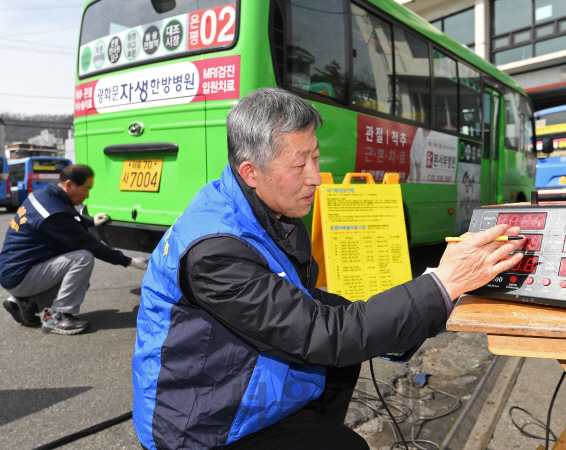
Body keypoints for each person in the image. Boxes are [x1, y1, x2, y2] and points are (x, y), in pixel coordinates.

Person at [132, 87, 523, 450]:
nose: (315, 177)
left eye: (316, 157)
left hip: (236, 383)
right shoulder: (216, 252)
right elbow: (322, 333)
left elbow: (308, 304)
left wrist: (433, 295)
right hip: (202, 422)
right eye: (299, 164)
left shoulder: (262, 207)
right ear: (251, 172)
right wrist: (440, 284)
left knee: (340, 370)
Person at [0, 164, 148, 335]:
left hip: (15, 270)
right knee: (83, 258)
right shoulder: (53, 213)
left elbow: (69, 224)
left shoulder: (43, 196)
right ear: (69, 185)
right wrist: (129, 261)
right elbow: (89, 243)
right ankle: (57, 316)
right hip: (20, 275)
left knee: (79, 283)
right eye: (87, 189)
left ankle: (28, 303)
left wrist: (90, 222)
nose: (87, 195)